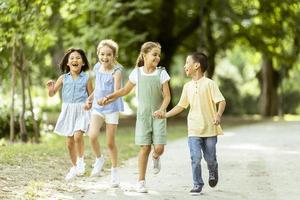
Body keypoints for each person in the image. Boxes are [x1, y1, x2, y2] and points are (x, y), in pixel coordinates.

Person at [99, 42, 171, 193]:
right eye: (154, 54)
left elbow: (167, 97)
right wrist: (109, 96)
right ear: (144, 55)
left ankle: (156, 157)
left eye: (158, 55)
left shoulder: (162, 73)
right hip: (143, 116)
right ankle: (141, 181)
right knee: (145, 148)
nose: (157, 57)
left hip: (159, 115)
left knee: (159, 148)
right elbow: (124, 90)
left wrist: (162, 110)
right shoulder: (136, 73)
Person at [155, 52, 226, 195]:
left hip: (210, 129)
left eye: (187, 62)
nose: (184, 65)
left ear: (196, 66)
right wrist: (165, 115)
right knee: (195, 158)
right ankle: (197, 183)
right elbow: (181, 106)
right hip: (193, 129)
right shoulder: (187, 86)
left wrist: (218, 115)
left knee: (210, 158)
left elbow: (221, 101)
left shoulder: (210, 84)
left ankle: (213, 170)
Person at [46, 48, 93, 181]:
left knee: (78, 136)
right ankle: (74, 167)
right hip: (68, 110)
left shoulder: (87, 78)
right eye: (72, 58)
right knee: (69, 143)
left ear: (83, 63)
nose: (74, 60)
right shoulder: (63, 78)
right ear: (67, 63)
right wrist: (50, 89)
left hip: (82, 110)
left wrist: (89, 103)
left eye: (78, 58)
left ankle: (81, 160)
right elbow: (52, 93)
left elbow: (92, 96)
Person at [84, 39, 124, 188]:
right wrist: (90, 99)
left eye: (108, 55)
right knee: (92, 135)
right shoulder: (97, 67)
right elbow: (98, 88)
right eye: (102, 54)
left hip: (112, 108)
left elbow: (117, 92)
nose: (105, 57)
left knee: (110, 142)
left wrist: (106, 100)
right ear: (98, 54)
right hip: (98, 107)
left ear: (114, 56)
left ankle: (114, 171)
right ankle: (99, 159)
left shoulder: (117, 71)